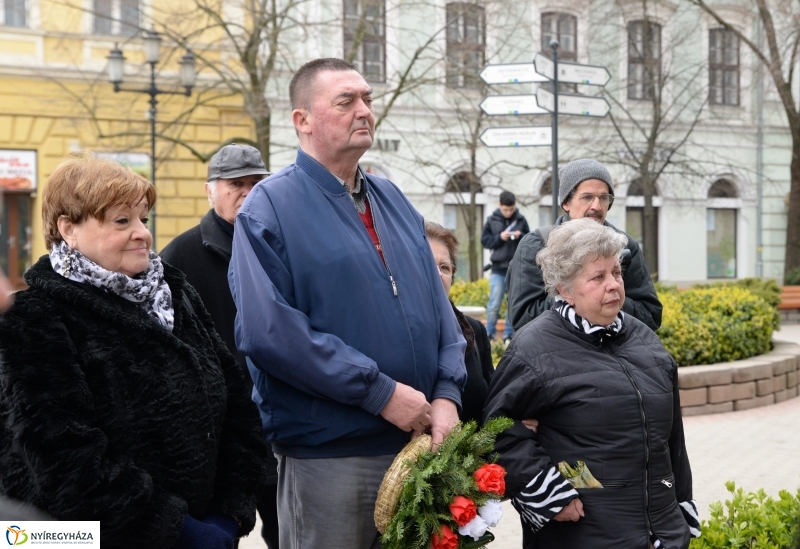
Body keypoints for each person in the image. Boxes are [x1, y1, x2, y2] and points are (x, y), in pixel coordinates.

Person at [228, 58, 467, 549]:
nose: (364, 111)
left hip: (418, 446)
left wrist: (446, 395)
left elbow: (442, 315)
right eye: (346, 101)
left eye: (368, 100)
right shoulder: (268, 207)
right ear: (302, 120)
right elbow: (269, 332)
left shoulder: (394, 199)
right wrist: (379, 393)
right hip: (330, 458)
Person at [0, 152, 268, 548]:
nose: (142, 232)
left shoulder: (175, 294)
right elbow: (65, 460)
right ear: (68, 228)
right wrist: (177, 529)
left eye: (143, 218)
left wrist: (229, 514)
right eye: (122, 221)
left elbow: (236, 407)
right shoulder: (36, 317)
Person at [483, 218, 700, 549]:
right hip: (582, 533)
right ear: (566, 290)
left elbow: (672, 441)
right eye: (598, 277)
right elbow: (498, 431)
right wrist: (550, 496)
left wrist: (680, 509)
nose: (613, 284)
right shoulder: (534, 347)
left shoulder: (646, 341)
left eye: (616, 272)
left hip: (662, 534)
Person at [160, 143, 280, 549]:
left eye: (256, 183)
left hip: (286, 424)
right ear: (210, 190)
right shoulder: (178, 256)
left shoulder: (286, 246)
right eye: (235, 184)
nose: (246, 192)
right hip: (222, 431)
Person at [506, 158, 662, 332]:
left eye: (604, 198)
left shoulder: (625, 246)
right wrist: (582, 298)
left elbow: (651, 315)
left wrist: (610, 300)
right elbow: (522, 318)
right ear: (566, 202)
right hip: (557, 356)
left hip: (614, 355)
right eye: (587, 197)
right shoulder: (536, 245)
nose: (596, 205)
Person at [426, 222, 493, 423]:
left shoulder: (474, 330)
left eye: (444, 268)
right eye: (428, 265)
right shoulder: (393, 332)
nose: (438, 274)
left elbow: (493, 402)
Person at [481, 191, 529, 343]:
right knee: (494, 303)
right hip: (497, 268)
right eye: (505, 209)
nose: (508, 213)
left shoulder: (521, 220)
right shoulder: (491, 220)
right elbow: (485, 241)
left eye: (511, 209)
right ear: (499, 205)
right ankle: (489, 334)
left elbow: (529, 242)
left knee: (513, 303)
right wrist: (499, 238)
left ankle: (509, 335)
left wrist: (520, 236)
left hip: (516, 268)